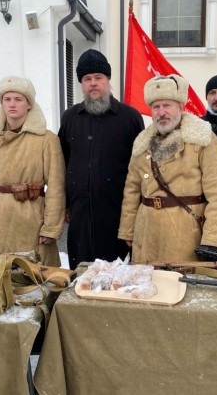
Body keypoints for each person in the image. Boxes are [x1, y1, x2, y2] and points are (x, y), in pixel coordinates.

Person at [118, 74, 217, 262]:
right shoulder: (141, 144)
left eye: (167, 105)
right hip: (146, 233)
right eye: (156, 107)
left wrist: (213, 240)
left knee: (180, 287)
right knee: (146, 286)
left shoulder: (203, 139)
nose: (161, 112)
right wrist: (128, 230)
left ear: (180, 107)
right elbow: (131, 190)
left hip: (185, 234)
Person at [0, 76, 65, 266]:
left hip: (30, 219)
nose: (12, 104)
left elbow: (56, 186)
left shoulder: (46, 140)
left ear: (29, 104)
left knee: (30, 279)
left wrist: (51, 227)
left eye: (18, 99)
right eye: (7, 99)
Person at [58, 49, 144, 269]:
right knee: (81, 274)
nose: (93, 83)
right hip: (80, 215)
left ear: (108, 80)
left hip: (117, 213)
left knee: (117, 277)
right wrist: (66, 203)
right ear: (81, 84)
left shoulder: (130, 118)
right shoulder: (70, 118)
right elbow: (62, 163)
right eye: (87, 79)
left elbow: (140, 168)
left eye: (98, 77)